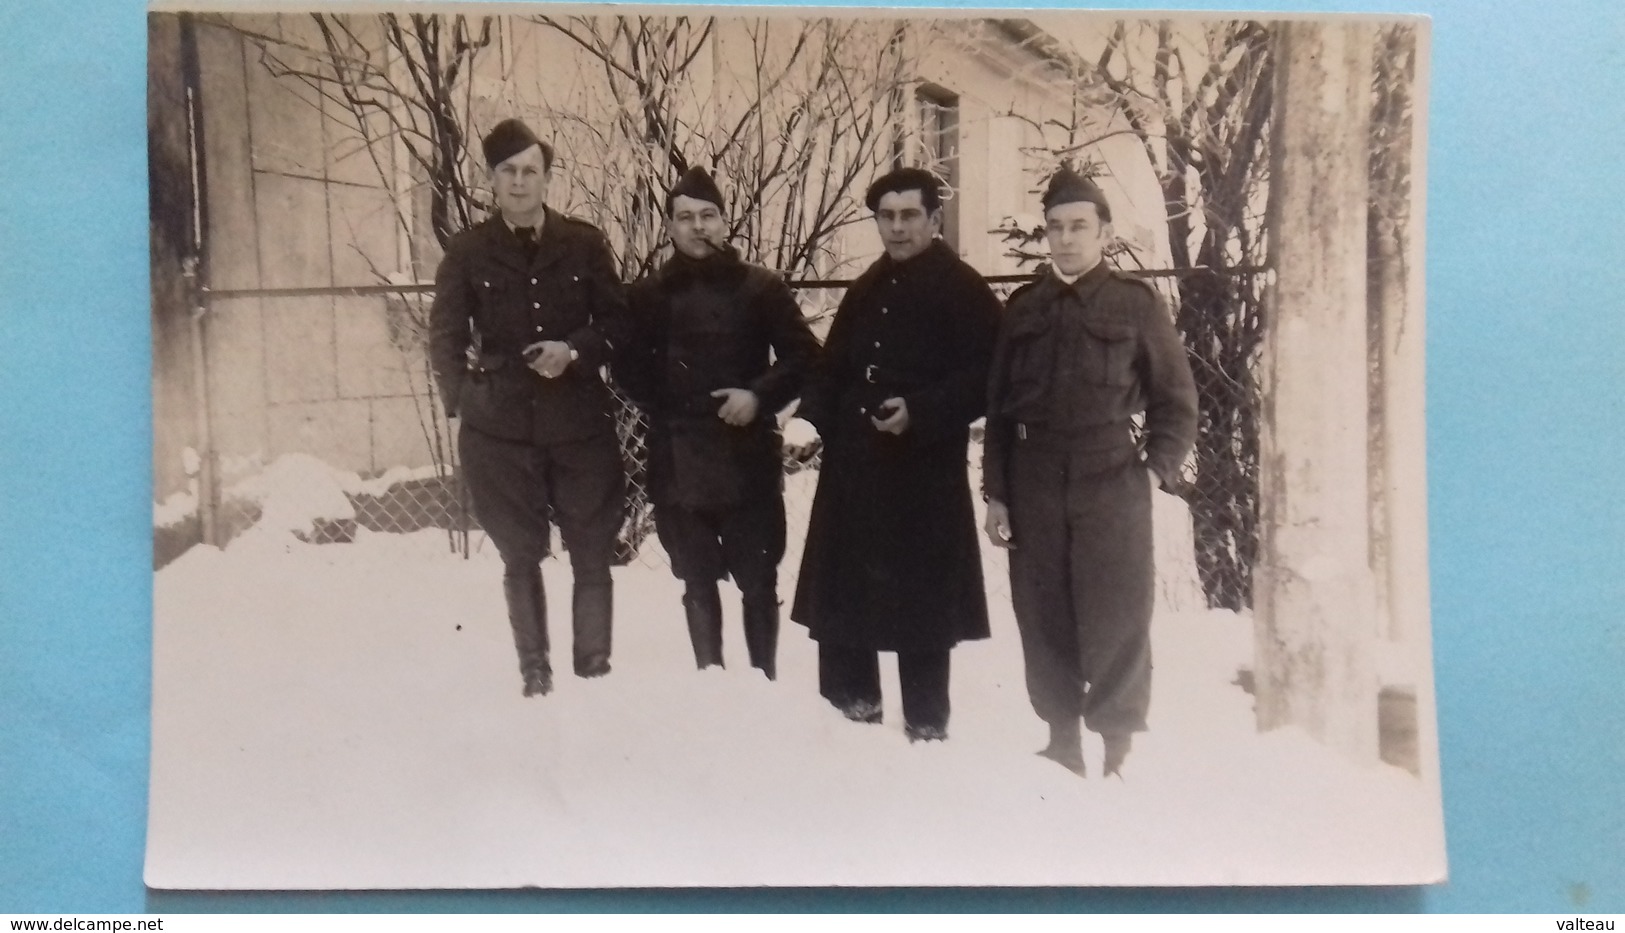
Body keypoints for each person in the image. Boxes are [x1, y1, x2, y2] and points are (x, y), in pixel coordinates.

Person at [982, 166, 1199, 777]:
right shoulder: (1023, 309)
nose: (1067, 238)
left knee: (1117, 613)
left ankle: (1117, 748)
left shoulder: (1134, 305)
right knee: (1041, 610)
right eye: (1056, 227)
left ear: (1104, 232)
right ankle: (1062, 741)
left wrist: (1152, 474)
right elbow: (998, 408)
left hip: (1111, 476)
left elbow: (1177, 403)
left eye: (1080, 226)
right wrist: (996, 493)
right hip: (1033, 477)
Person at [790, 167, 1001, 742]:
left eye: (911, 216)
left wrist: (923, 410)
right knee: (847, 599)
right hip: (855, 467)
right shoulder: (865, 288)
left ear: (935, 220)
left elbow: (988, 375)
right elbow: (830, 367)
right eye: (888, 216)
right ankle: (850, 722)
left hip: (922, 473)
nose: (899, 227)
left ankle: (927, 730)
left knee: (921, 609)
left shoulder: (965, 289)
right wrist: (810, 417)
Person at [428, 118, 632, 698]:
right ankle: (534, 670)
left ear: (547, 179)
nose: (520, 183)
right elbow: (444, 335)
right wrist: (465, 399)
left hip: (579, 425)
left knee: (592, 550)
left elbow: (618, 320)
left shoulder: (585, 243)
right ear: (491, 180)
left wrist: (573, 351)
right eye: (508, 172)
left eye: (531, 172)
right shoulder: (468, 251)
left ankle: (593, 667)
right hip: (500, 431)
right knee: (520, 554)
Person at [621, 167, 819, 679]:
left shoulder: (760, 287)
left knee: (758, 581)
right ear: (668, 227)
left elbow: (804, 357)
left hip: (746, 457)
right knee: (697, 581)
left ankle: (763, 682)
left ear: (725, 221)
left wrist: (758, 396)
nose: (698, 227)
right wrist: (672, 404)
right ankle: (711, 685)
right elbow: (627, 369)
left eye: (708, 215)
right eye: (685, 218)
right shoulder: (648, 296)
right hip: (678, 462)